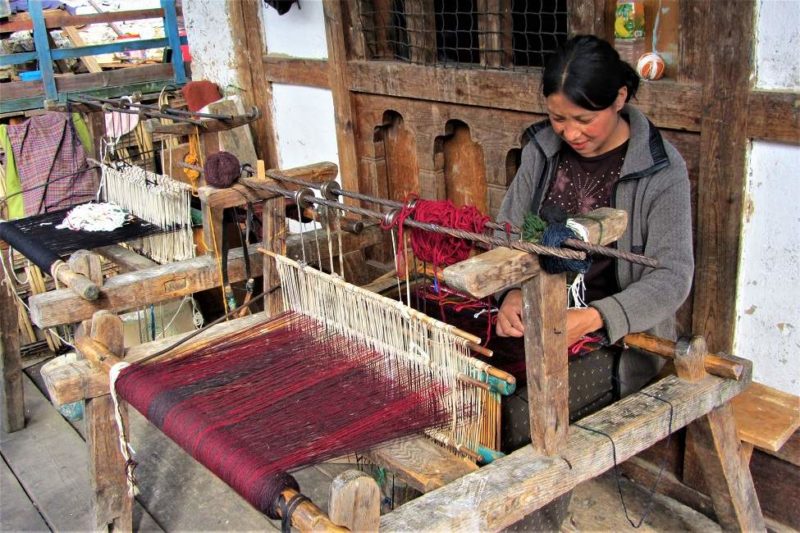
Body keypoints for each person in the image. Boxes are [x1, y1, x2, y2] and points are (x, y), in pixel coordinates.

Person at [496, 34, 694, 409]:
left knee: (516, 410)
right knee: (463, 377)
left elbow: (672, 277)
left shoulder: (660, 170)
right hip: (537, 317)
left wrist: (594, 318)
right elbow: (505, 232)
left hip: (615, 341)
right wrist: (511, 294)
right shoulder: (541, 149)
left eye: (584, 120)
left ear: (619, 98)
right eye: (558, 119)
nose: (570, 133)